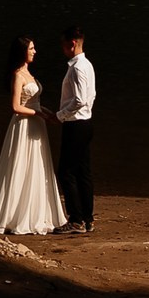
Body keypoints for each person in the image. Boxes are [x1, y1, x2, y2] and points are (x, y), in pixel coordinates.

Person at [0, 36, 66, 235]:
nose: (35, 51)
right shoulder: (18, 75)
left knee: (37, 166)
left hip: (36, 125)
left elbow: (34, 102)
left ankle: (35, 213)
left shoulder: (29, 73)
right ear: (22, 51)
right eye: (31, 48)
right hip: (23, 126)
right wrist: (38, 114)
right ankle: (13, 215)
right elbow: (16, 107)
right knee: (20, 166)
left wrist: (49, 113)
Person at [51, 26, 96, 234]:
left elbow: (79, 99)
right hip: (85, 122)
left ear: (72, 44)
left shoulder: (78, 67)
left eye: (63, 45)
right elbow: (91, 96)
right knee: (83, 171)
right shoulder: (87, 65)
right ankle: (87, 218)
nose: (63, 49)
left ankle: (77, 219)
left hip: (76, 124)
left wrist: (59, 116)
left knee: (67, 171)